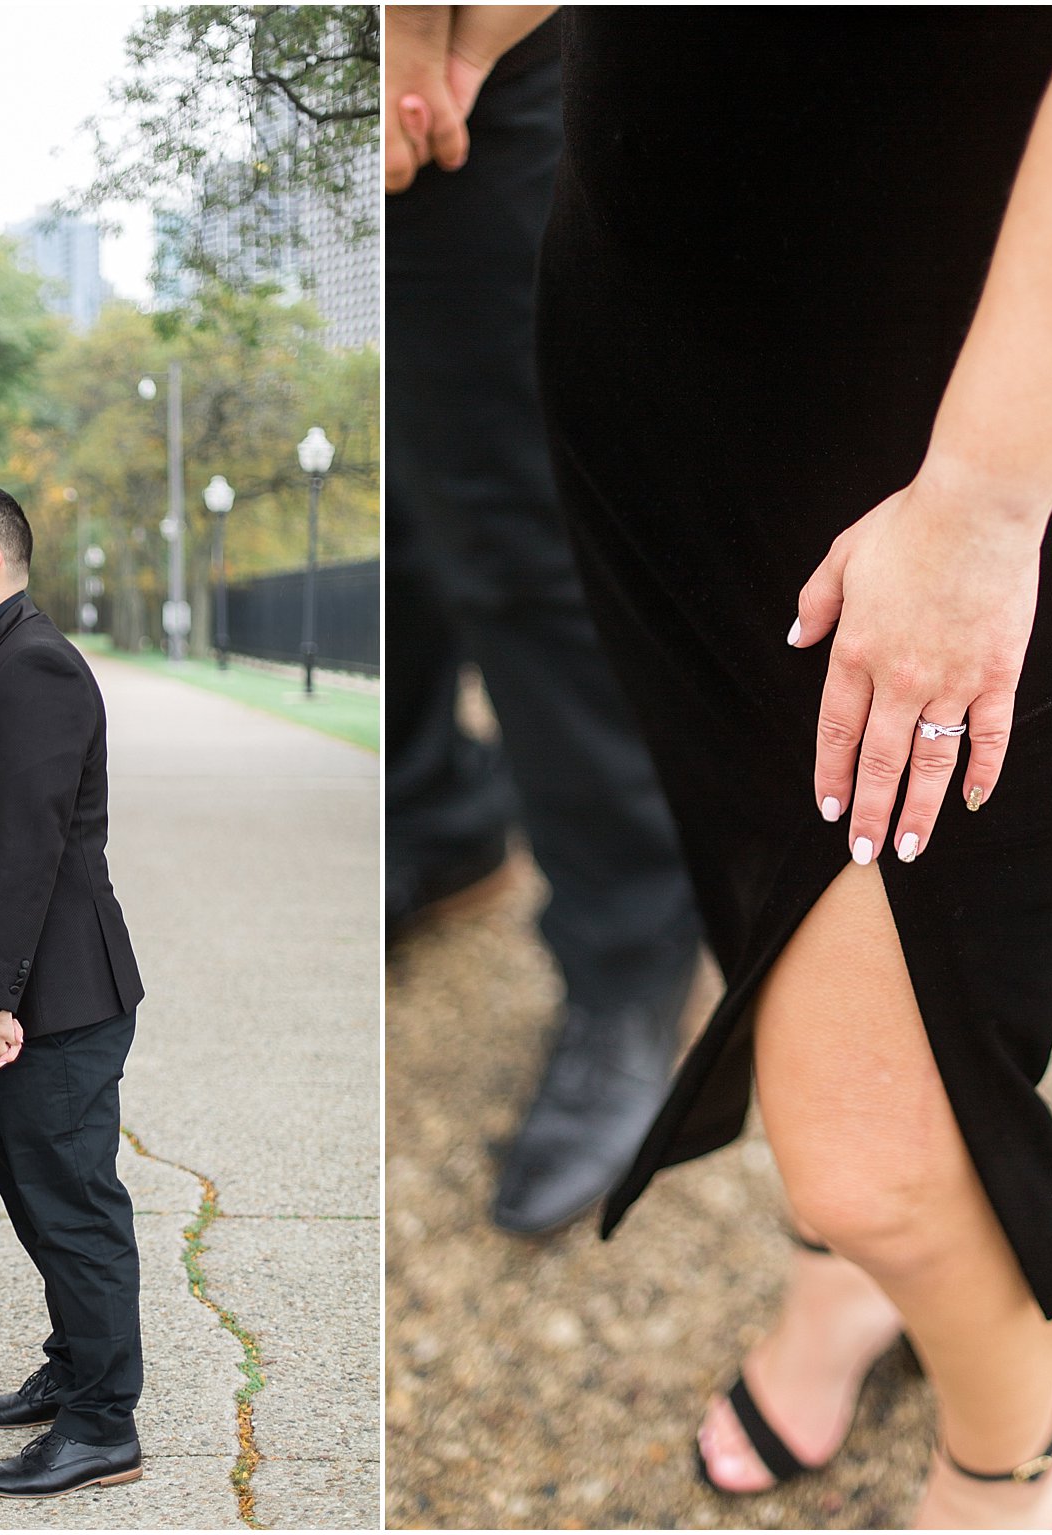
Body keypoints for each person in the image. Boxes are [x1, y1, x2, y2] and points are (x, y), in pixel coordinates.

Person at [391, 6, 1052, 1527]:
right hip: (656, 312)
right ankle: (848, 1286)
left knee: (879, 1144)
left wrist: (986, 507)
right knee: (758, 900)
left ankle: (1015, 1440)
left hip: (958, 387)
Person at [386, 9, 704, 1237]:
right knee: (394, 489)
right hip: (302, 73)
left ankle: (630, 951)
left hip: (468, 50)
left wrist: (413, 36)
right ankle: (436, 816)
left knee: (514, 520)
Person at [0, 483, 148, 1500]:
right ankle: (73, 1363)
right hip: (12, 997)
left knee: (75, 1204)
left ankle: (102, 1420)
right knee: (37, 1195)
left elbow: (27, 850)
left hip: (51, 996)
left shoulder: (35, 665)